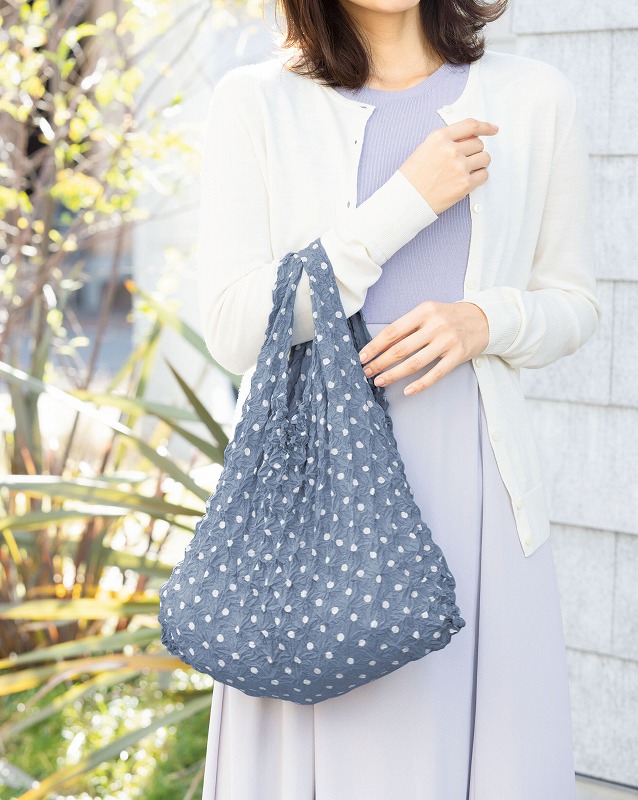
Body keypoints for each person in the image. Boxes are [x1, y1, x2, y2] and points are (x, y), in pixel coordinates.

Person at [195, 0, 601, 797]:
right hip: (315, 501)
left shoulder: (534, 96)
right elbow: (238, 330)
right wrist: (405, 201)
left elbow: (574, 302)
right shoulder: (255, 102)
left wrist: (486, 319)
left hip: (478, 492)